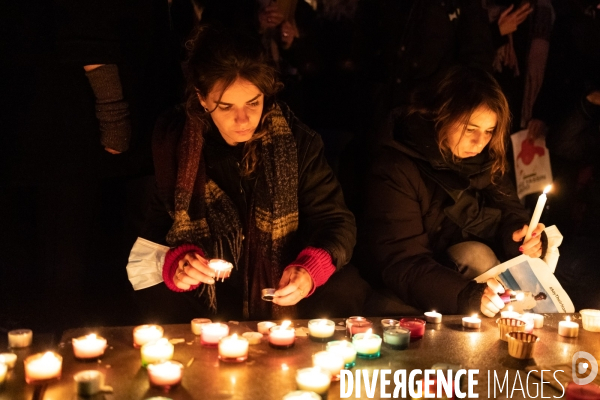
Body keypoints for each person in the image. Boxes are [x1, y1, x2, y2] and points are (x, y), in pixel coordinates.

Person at [126, 25, 368, 322]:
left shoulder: (296, 142)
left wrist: (309, 269)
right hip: (208, 290)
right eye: (226, 106)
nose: (243, 120)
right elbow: (158, 227)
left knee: (346, 289)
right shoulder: (175, 143)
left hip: (281, 283)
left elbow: (337, 221)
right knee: (159, 301)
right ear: (202, 98)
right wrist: (179, 263)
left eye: (253, 102)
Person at [359, 67, 546, 318]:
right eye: (471, 129)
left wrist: (522, 239)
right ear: (440, 115)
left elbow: (510, 212)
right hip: (413, 281)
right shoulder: (396, 167)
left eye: (489, 131)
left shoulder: (488, 158)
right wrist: (468, 296)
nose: (480, 142)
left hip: (459, 277)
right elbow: (402, 262)